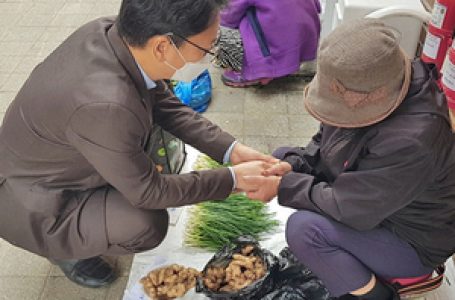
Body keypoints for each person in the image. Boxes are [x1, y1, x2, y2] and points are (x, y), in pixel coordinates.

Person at [0, 0, 276, 288]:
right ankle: (65, 250)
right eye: (205, 49)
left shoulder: (114, 34)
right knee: (145, 223)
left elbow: (164, 104)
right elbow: (149, 192)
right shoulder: (108, 106)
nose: (208, 58)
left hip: (65, 156)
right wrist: (232, 180)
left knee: (140, 154)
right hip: (36, 200)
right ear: (162, 47)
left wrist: (231, 150)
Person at [242, 19, 455, 300]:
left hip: (411, 240)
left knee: (304, 230)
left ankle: (375, 294)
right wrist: (295, 164)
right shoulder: (379, 81)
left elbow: (351, 209)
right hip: (377, 203)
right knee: (282, 158)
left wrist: (283, 187)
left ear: (374, 101)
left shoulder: (413, 139)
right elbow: (325, 141)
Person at [217, 0, 321, 87]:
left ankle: (259, 72)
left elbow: (229, 15)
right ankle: (290, 62)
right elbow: (317, 6)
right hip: (307, 36)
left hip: (279, 41)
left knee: (228, 25)